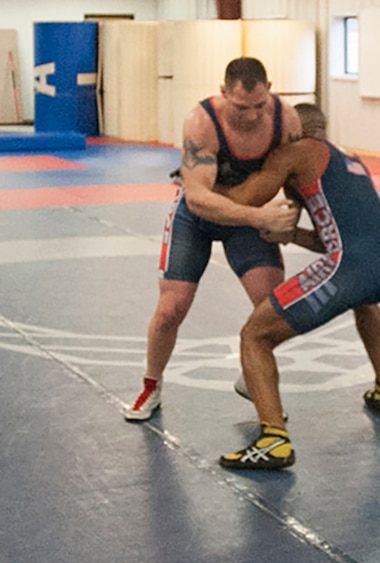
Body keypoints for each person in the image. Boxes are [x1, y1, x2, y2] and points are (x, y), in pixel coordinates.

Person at [217, 133, 380, 471]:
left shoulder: (298, 151)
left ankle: (274, 439)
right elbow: (336, 238)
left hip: (349, 268)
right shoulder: (348, 160)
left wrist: (204, 190)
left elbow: (248, 198)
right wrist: (292, 236)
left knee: (255, 335)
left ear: (293, 131)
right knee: (364, 300)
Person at [127, 57, 301, 422]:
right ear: (223, 94)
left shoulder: (286, 120)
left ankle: (252, 377)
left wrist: (291, 218)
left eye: (259, 106)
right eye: (241, 108)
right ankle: (151, 384)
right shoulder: (202, 121)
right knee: (171, 309)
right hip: (198, 219)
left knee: (274, 311)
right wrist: (261, 216)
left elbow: (298, 180)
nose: (252, 116)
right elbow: (198, 199)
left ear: (270, 91)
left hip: (249, 217)